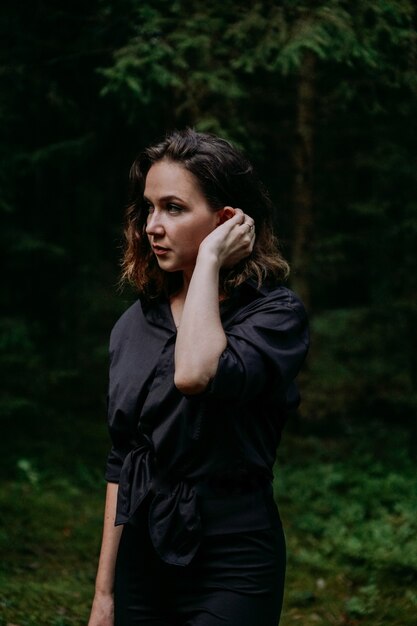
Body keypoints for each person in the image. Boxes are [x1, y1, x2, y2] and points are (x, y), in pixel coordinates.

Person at [88, 128, 309, 626]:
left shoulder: (274, 316)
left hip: (234, 556)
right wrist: (104, 595)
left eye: (173, 207)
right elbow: (123, 460)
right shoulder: (133, 325)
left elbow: (194, 374)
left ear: (228, 220)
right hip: (142, 555)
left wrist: (207, 261)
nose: (152, 226)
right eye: (149, 208)